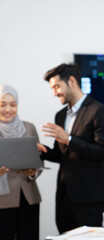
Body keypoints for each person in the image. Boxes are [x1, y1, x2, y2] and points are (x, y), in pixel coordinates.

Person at [40, 63, 104, 233]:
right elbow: (61, 155)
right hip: (64, 197)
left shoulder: (99, 111)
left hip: (89, 198)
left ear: (71, 81)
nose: (54, 93)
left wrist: (69, 139)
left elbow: (103, 152)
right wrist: (41, 151)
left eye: (57, 86)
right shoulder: (60, 115)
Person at [0, 84, 46, 240]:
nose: (8, 109)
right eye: (2, 104)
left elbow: (38, 161)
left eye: (13, 105)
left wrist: (33, 172)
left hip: (28, 198)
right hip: (2, 201)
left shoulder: (29, 128)